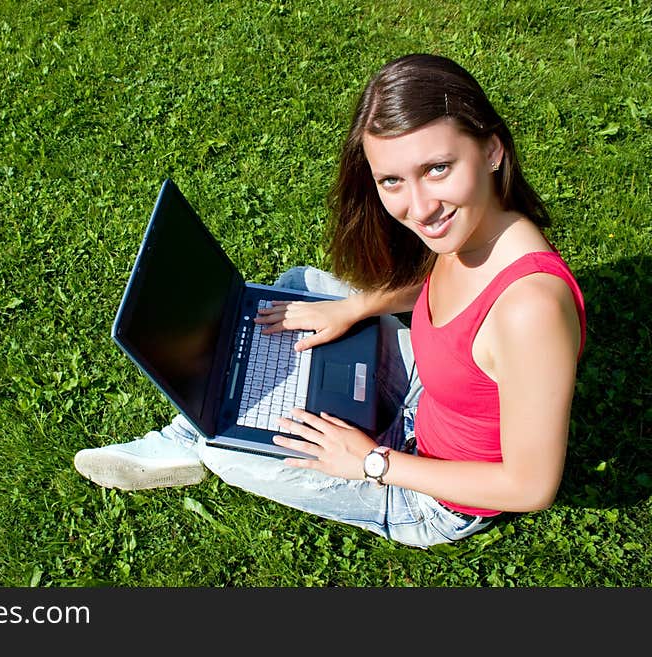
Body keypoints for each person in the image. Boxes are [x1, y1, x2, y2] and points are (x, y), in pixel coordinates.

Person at [74, 53, 586, 548]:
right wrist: (354, 308)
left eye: (437, 169)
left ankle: (194, 440)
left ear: (493, 151)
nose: (419, 208)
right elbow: (444, 286)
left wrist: (369, 463)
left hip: (431, 493)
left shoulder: (529, 310)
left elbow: (530, 486)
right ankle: (206, 423)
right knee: (298, 286)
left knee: (227, 454)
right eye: (392, 180)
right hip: (424, 392)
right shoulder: (479, 233)